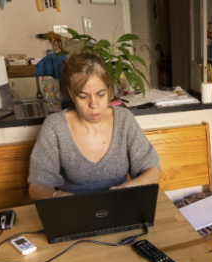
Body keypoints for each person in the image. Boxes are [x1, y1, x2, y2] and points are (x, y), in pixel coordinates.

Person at [28, 52, 161, 199]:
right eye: (83, 96)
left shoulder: (124, 119)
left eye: (101, 94)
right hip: (74, 211)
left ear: (109, 91)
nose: (94, 104)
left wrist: (125, 189)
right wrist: (61, 197)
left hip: (121, 205)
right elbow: (36, 186)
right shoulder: (55, 126)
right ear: (72, 95)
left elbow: (152, 170)